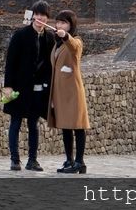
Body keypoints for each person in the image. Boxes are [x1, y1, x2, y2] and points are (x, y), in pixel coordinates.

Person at [2, 0, 55, 171]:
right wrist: (8, 85)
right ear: (33, 16)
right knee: (15, 122)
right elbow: (10, 62)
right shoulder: (20, 35)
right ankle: (14, 159)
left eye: (43, 15)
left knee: (34, 124)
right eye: (37, 14)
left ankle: (32, 160)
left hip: (38, 89)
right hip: (19, 86)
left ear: (47, 18)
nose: (40, 18)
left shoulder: (50, 38)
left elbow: (51, 64)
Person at [48, 9, 90, 174]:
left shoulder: (75, 42)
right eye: (58, 22)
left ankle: (80, 162)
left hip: (73, 92)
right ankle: (69, 159)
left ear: (71, 25)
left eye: (64, 22)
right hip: (60, 93)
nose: (59, 25)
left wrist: (65, 36)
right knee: (65, 126)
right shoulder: (56, 44)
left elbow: (74, 45)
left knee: (78, 126)